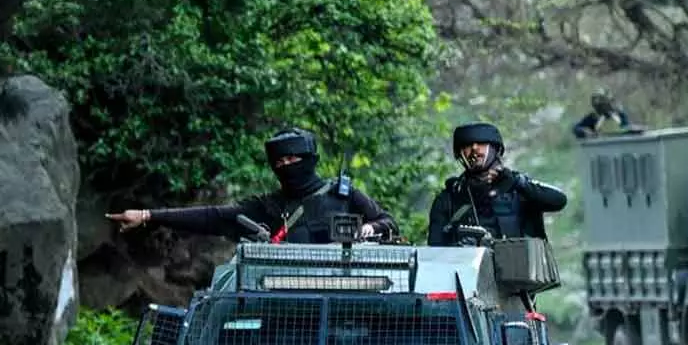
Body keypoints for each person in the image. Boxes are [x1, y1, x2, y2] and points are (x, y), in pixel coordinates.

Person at [106, 128, 398, 243]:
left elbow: (389, 223)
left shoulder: (343, 195)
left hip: (348, 293)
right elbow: (213, 217)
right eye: (279, 162)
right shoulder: (268, 208)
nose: (285, 166)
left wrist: (368, 229)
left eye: (292, 159)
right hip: (285, 299)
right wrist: (147, 215)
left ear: (309, 160)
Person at [427, 122, 568, 247]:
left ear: (496, 149)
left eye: (481, 143)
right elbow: (435, 251)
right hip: (469, 268)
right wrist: (459, 250)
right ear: (459, 154)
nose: (474, 148)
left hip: (520, 267)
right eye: (467, 145)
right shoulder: (449, 198)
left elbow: (559, 200)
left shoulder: (519, 188)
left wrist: (517, 182)